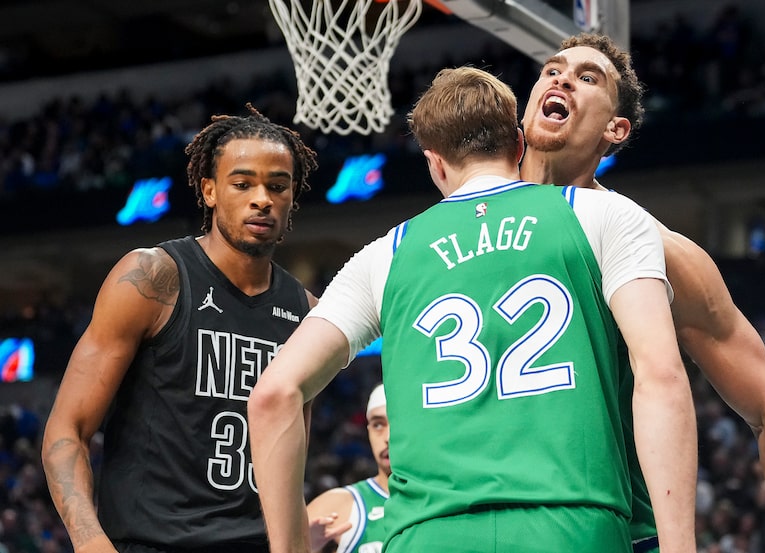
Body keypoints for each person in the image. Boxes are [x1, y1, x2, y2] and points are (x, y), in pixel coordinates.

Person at [248, 66, 697, 553]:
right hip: (571, 524)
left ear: (435, 164)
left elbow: (274, 396)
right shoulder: (604, 215)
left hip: (427, 533)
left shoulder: (384, 256)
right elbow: (660, 375)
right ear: (519, 145)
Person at [519, 32, 765, 553]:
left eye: (586, 77)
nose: (562, 78)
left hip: (610, 531)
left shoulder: (653, 246)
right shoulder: (459, 218)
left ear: (615, 130)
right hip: (476, 521)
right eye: (551, 70)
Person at [41, 104, 319, 553]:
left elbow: (291, 466)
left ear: (291, 198)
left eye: (277, 186)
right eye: (243, 183)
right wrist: (90, 541)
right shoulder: (153, 279)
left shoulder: (306, 313)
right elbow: (66, 429)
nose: (262, 198)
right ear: (209, 191)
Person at [307, 383, 390, 553]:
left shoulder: (448, 499)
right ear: (368, 431)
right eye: (378, 425)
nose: (387, 437)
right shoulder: (337, 506)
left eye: (396, 423)